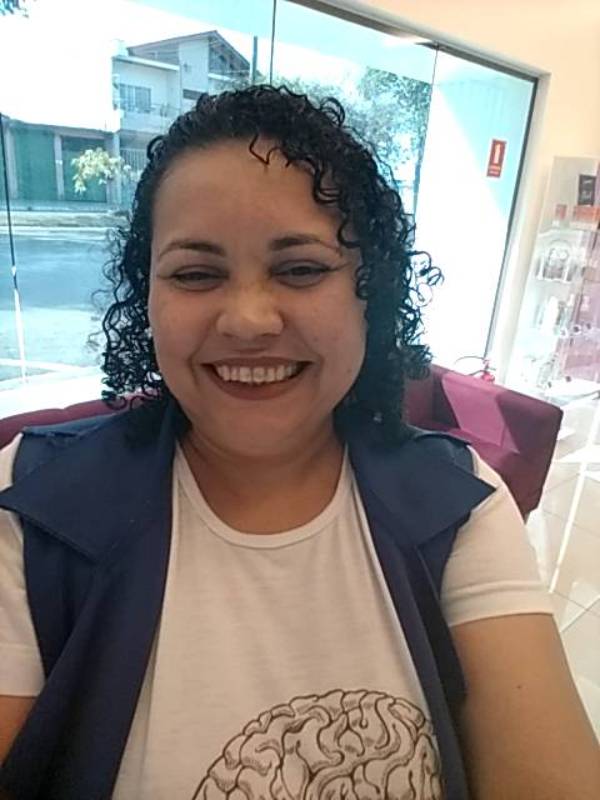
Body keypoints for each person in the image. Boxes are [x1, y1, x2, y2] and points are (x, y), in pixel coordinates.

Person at [0, 85, 599, 800]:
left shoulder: (458, 504)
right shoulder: (32, 503)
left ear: (370, 293)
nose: (248, 319)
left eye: (301, 269)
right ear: (148, 297)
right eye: (196, 273)